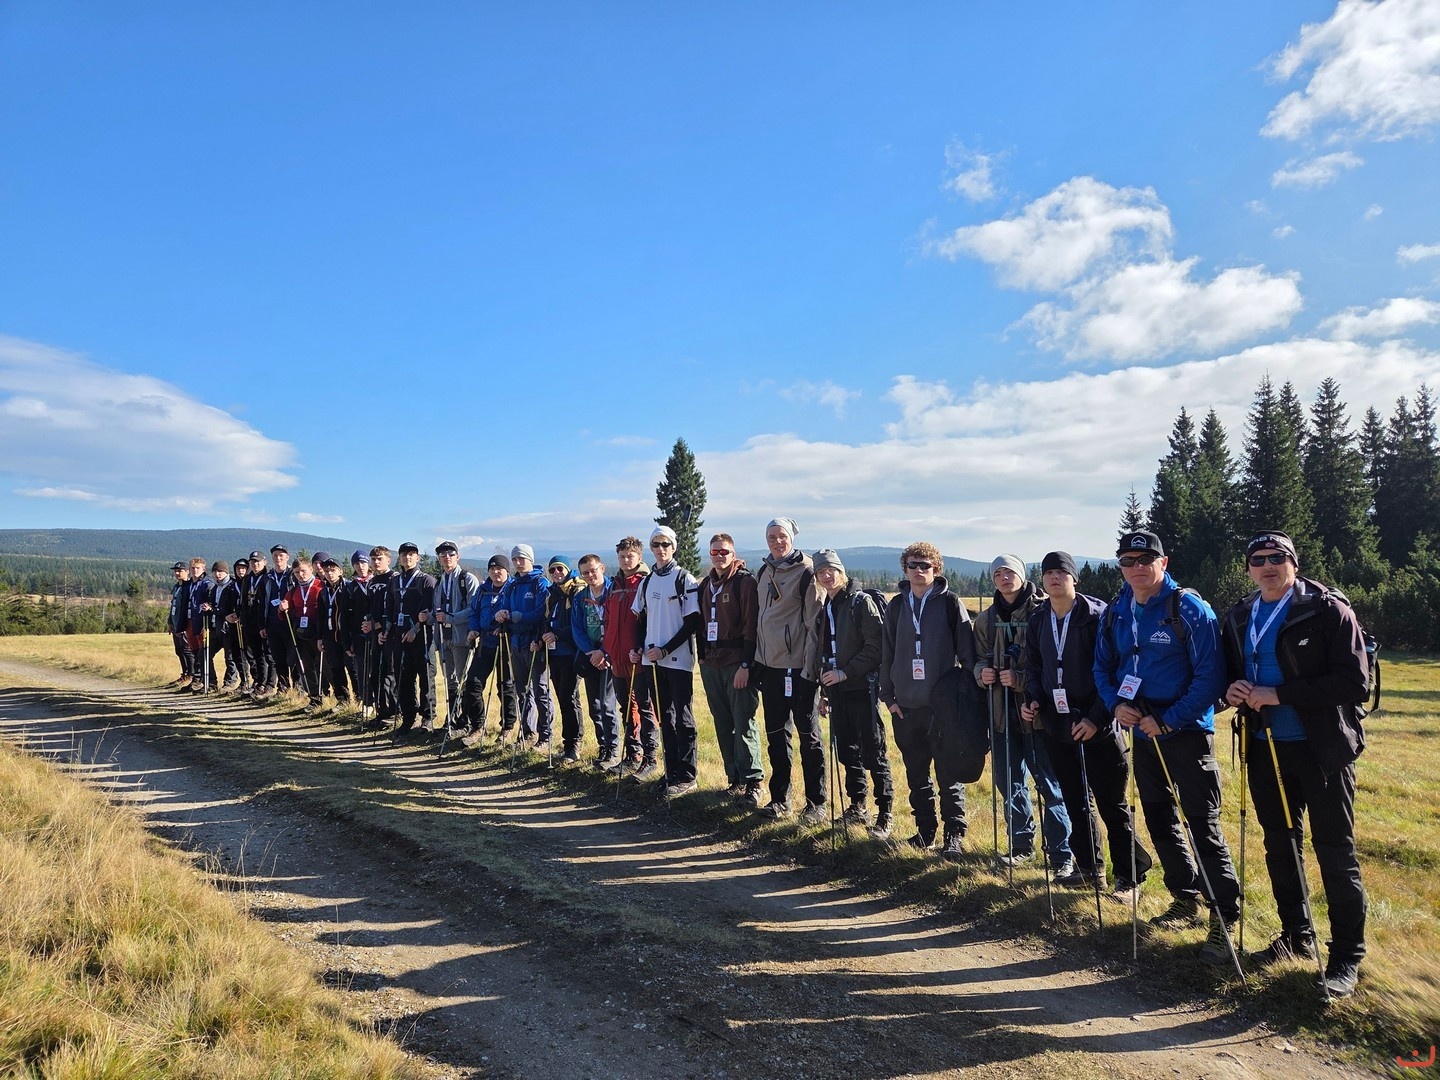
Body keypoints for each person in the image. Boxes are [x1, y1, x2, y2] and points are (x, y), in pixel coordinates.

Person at [1220, 531, 1369, 997]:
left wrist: (1279, 694)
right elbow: (1228, 673)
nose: (1268, 566)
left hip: (1321, 750)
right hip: (1265, 748)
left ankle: (1346, 957)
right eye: (1258, 559)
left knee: (1334, 851)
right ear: (1248, 568)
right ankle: (1295, 936)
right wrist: (1232, 689)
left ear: (1294, 563)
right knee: (1280, 846)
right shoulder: (1240, 615)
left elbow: (1354, 682)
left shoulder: (1327, 610)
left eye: (1277, 558)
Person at [1094, 530, 1240, 966]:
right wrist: (1116, 705)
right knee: (1159, 818)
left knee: (1202, 825)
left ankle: (1224, 917)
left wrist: (1170, 718)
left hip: (1187, 732)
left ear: (1164, 562)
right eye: (1128, 560)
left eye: (1146, 559)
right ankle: (1184, 897)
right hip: (1141, 730)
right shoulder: (1117, 610)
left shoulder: (1189, 608)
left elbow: (1211, 676)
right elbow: (1103, 667)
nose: (1137, 567)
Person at [1022, 551, 1151, 901]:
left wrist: (1096, 719)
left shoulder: (1098, 616)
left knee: (1112, 804)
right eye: (1048, 572)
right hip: (1058, 725)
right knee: (1075, 800)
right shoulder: (1038, 620)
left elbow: (1114, 672)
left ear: (1074, 578)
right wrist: (1034, 699)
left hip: (1100, 727)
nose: (1054, 578)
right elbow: (1034, 667)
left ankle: (1129, 877)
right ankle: (1088, 869)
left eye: (1061, 572)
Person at [974, 554, 1073, 877]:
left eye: (1010, 572)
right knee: (1010, 783)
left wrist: (1018, 679)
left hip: (1038, 715)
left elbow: (1052, 662)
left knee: (1050, 785)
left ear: (1022, 575)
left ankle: (1061, 854)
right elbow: (977, 658)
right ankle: (1021, 846)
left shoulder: (1043, 613)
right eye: (998, 574)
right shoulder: (985, 620)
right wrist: (982, 673)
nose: (1004, 578)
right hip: (1001, 715)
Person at [879, 541, 977, 856]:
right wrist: (888, 696)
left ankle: (954, 836)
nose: (919, 570)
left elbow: (967, 655)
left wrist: (966, 699)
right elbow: (887, 652)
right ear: (905, 569)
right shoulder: (896, 605)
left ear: (936, 569)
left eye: (925, 565)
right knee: (916, 774)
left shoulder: (950, 603)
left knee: (948, 773)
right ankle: (925, 832)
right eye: (913, 565)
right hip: (905, 706)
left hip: (943, 708)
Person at [810, 550, 893, 838]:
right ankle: (858, 806)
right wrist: (825, 692)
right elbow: (824, 651)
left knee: (874, 752)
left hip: (862, 688)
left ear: (841, 571)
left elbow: (875, 648)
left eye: (831, 570)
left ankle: (885, 814)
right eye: (821, 572)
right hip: (837, 691)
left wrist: (845, 672)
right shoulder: (827, 606)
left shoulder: (860, 602)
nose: (826, 576)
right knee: (847, 752)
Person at [754, 517, 826, 822]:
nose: (777, 541)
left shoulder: (807, 572)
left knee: (809, 737)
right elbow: (761, 619)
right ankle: (780, 800)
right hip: (770, 668)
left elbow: (815, 626)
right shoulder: (764, 571)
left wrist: (811, 672)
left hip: (799, 669)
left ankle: (816, 803)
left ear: (792, 538)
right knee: (776, 736)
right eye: (772, 536)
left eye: (782, 536)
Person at [629, 526, 702, 797]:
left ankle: (688, 776)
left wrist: (665, 649)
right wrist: (638, 648)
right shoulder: (647, 581)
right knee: (665, 719)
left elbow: (692, 623)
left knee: (683, 719)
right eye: (656, 545)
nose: (661, 549)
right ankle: (671, 772)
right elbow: (641, 619)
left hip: (678, 660)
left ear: (674, 547)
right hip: (652, 661)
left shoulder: (685, 578)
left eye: (666, 544)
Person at [697, 533, 763, 807]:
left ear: (733, 554)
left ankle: (753, 782)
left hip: (737, 663)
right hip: (711, 664)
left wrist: (746, 665)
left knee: (743, 721)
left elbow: (751, 627)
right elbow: (699, 624)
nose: (719, 556)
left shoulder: (744, 583)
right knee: (722, 723)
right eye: (715, 552)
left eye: (724, 552)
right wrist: (702, 658)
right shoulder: (706, 584)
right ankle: (734, 778)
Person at [605, 537, 658, 776]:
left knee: (645, 707)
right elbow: (608, 618)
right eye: (622, 556)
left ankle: (650, 757)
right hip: (617, 657)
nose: (626, 560)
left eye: (630, 556)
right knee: (625, 707)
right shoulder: (614, 584)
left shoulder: (646, 582)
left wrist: (641, 647)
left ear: (639, 557)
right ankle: (632, 755)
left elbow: (649, 620)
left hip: (639, 656)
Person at [497, 544, 553, 748]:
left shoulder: (540, 583)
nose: (518, 563)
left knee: (540, 691)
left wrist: (518, 617)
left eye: (522, 558)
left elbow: (542, 612)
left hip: (534, 643)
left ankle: (545, 736)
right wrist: (501, 614)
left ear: (530, 559)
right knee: (522, 692)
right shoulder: (512, 585)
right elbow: (504, 606)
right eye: (515, 559)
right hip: (515, 643)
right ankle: (527, 734)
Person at [570, 553, 621, 769]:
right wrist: (591, 652)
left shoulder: (614, 592)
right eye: (585, 573)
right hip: (591, 656)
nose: (590, 575)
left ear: (602, 568)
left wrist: (604, 652)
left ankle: (614, 750)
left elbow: (617, 625)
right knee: (595, 705)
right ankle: (603, 746)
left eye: (593, 570)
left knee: (608, 704)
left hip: (609, 656)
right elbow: (577, 628)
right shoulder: (580, 598)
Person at [461, 554, 520, 741]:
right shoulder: (482, 590)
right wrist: (473, 628)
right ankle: (478, 726)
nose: (496, 572)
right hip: (484, 644)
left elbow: (516, 613)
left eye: (500, 568)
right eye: (492, 569)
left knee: (505, 687)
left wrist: (506, 627)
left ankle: (507, 727)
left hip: (505, 644)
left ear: (507, 570)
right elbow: (474, 612)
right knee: (473, 683)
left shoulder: (513, 588)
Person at [432, 541, 480, 733]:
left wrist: (450, 618)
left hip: (462, 639)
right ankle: (451, 719)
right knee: (450, 681)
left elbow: (473, 609)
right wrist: (429, 617)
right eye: (443, 555)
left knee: (463, 680)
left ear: (458, 556)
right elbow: (437, 611)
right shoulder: (439, 581)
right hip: (444, 638)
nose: (447, 557)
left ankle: (465, 721)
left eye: (451, 554)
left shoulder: (467, 579)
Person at [542, 556, 586, 762]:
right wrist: (541, 638)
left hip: (572, 654)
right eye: (552, 570)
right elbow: (546, 620)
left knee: (569, 698)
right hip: (554, 654)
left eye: (560, 568)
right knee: (563, 699)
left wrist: (557, 635)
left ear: (568, 569)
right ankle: (568, 743)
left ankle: (574, 744)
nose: (556, 573)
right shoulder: (552, 594)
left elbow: (578, 624)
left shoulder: (577, 591)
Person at [392, 542, 438, 735]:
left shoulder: (426, 580)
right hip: (400, 637)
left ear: (418, 558)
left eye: (411, 554)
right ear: (399, 558)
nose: (407, 557)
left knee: (426, 677)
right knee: (404, 679)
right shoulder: (395, 581)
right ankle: (408, 718)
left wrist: (415, 629)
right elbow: (393, 608)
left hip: (422, 637)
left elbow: (429, 609)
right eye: (404, 554)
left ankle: (427, 718)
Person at [279, 556, 323, 709]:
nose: (301, 575)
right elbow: (283, 615)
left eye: (303, 571)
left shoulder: (321, 586)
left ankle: (331, 696)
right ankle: (315, 699)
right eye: (297, 572)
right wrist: (282, 609)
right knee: (307, 666)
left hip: (318, 632)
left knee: (324, 667)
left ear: (311, 569)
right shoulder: (293, 591)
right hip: (301, 633)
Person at [361, 545, 399, 724]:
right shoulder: (372, 582)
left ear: (388, 560)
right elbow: (370, 607)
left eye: (380, 559)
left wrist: (381, 627)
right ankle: (381, 711)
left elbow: (394, 608)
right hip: (375, 634)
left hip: (390, 632)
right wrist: (368, 624)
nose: (376, 562)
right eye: (374, 559)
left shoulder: (395, 579)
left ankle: (393, 712)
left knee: (389, 674)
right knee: (375, 674)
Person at [316, 552, 355, 707]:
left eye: (333, 570)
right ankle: (342, 700)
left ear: (341, 571)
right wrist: (320, 638)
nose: (330, 573)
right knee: (336, 669)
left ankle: (359, 700)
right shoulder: (323, 591)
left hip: (347, 636)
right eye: (326, 571)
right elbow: (320, 616)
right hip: (330, 637)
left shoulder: (349, 587)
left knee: (352, 669)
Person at [259, 545, 296, 695]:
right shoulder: (267, 577)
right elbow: (263, 602)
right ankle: (283, 688)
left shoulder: (293, 575)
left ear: (287, 557)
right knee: (278, 658)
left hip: (290, 623)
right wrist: (263, 625)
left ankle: (298, 690)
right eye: (275, 555)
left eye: (281, 555)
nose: (278, 558)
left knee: (293, 658)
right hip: (273, 623)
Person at [344, 550, 374, 715]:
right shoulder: (350, 586)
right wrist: (347, 641)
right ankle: (367, 702)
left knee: (378, 670)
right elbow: (344, 616)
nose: (360, 566)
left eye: (363, 563)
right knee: (362, 671)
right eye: (357, 563)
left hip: (376, 633)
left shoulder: (376, 582)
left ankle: (382, 705)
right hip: (358, 635)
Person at [217, 557, 252, 693]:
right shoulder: (231, 586)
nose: (241, 571)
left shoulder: (251, 584)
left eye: (243, 568)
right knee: (236, 655)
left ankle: (256, 682)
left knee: (250, 655)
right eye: (238, 568)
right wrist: (227, 615)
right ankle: (244, 681)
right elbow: (223, 605)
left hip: (248, 625)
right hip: (233, 625)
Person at [241, 551, 273, 697]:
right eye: (252, 562)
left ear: (264, 562)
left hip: (263, 621)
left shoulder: (268, 577)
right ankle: (259, 682)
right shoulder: (248, 579)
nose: (255, 564)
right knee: (255, 654)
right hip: (249, 621)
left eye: (258, 561)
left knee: (267, 655)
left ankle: (268, 684)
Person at [185, 558, 214, 692]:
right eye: (193, 568)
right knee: (195, 651)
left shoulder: (207, 584)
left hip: (202, 622)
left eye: (198, 568)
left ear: (203, 569)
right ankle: (197, 678)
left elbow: (211, 602)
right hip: (191, 621)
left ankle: (208, 681)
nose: (195, 570)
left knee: (204, 652)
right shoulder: (190, 584)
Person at [168, 561, 193, 687]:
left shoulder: (189, 587)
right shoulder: (176, 587)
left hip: (184, 624)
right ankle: (184, 673)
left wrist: (184, 625)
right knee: (179, 650)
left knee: (187, 650)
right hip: (175, 623)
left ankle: (191, 675)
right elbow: (173, 605)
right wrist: (170, 621)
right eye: (176, 571)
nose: (177, 573)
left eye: (180, 571)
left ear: (187, 572)